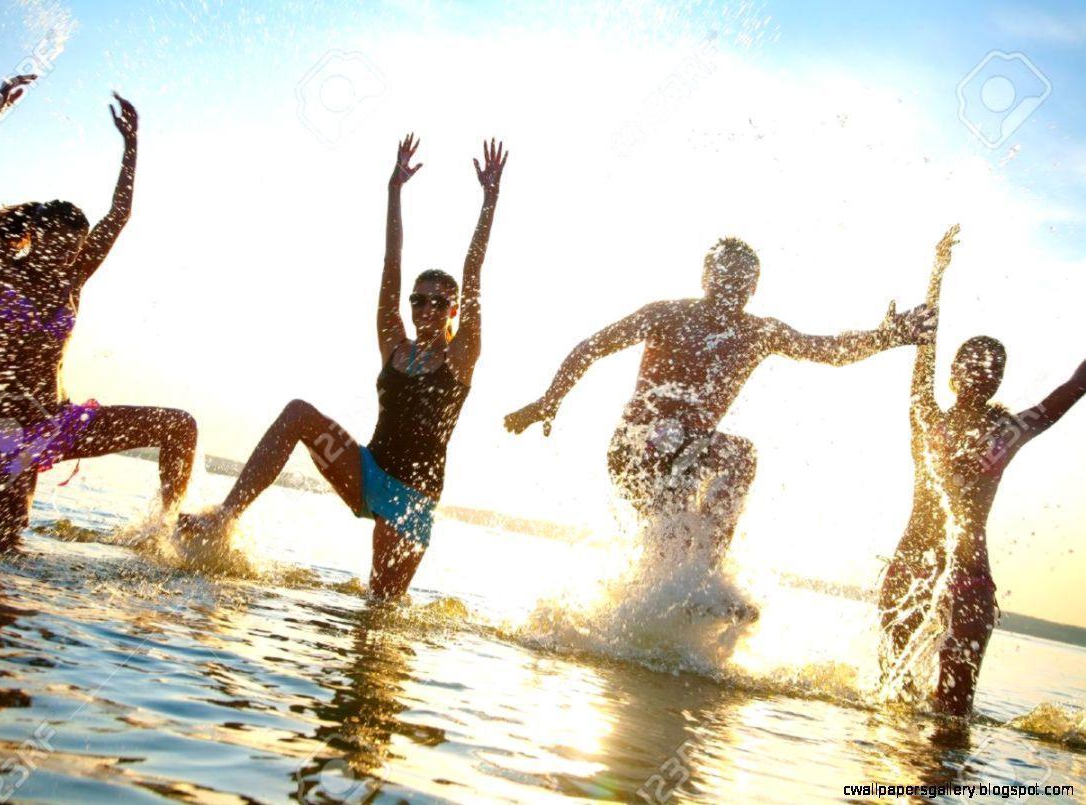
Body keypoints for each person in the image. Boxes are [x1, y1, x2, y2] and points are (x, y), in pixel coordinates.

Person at [181, 135, 507, 598]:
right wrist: (394, 191)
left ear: (454, 310)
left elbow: (473, 271)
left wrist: (489, 199)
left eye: (439, 302)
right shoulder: (395, 345)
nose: (426, 309)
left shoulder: (459, 359)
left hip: (409, 501)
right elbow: (391, 266)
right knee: (297, 412)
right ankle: (225, 516)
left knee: (380, 609)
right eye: (419, 300)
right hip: (367, 470)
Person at [505, 237, 933, 566]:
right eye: (724, 274)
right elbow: (593, 346)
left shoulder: (758, 332)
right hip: (636, 446)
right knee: (677, 470)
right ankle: (679, 583)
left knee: (735, 463)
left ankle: (699, 578)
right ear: (706, 276)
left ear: (754, 286)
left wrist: (888, 337)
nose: (733, 284)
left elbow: (825, 350)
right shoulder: (667, 313)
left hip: (690, 453)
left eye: (743, 278)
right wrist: (550, 399)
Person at [0, 75, 197, 549]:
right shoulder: (1, 267)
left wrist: (132, 145)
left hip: (62, 422)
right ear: (35, 237)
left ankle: (165, 536)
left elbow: (118, 215)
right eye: (57, 247)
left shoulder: (72, 278)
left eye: (74, 250)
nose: (65, 259)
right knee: (3, 538)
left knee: (180, 426)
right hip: (9, 429)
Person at [878, 225, 1086, 718]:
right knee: (891, 700)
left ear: (999, 380)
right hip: (911, 567)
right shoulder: (924, 415)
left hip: (970, 578)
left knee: (953, 711)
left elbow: (1076, 386)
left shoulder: (1011, 430)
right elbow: (924, 344)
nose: (982, 371)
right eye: (972, 363)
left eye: (992, 367)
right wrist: (936, 273)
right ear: (953, 373)